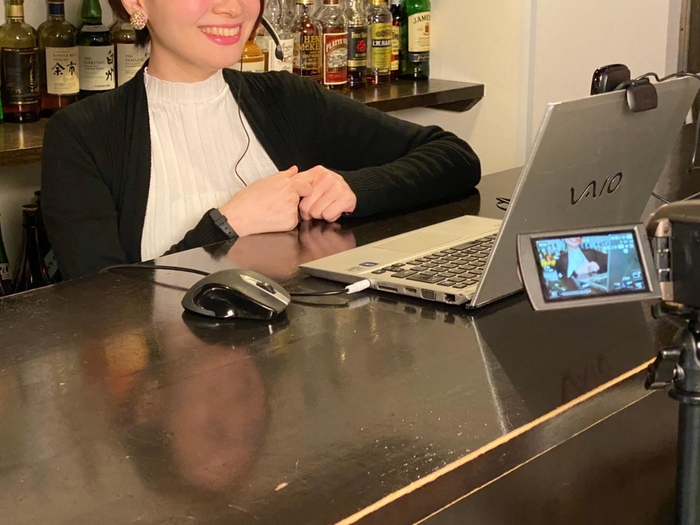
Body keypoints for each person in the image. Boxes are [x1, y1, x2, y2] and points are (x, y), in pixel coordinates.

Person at [41, 0, 481, 280]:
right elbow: (103, 310)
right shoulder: (82, 136)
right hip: (167, 386)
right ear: (137, 3)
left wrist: (352, 189)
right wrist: (225, 226)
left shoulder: (288, 99)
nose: (232, 7)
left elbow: (454, 157)